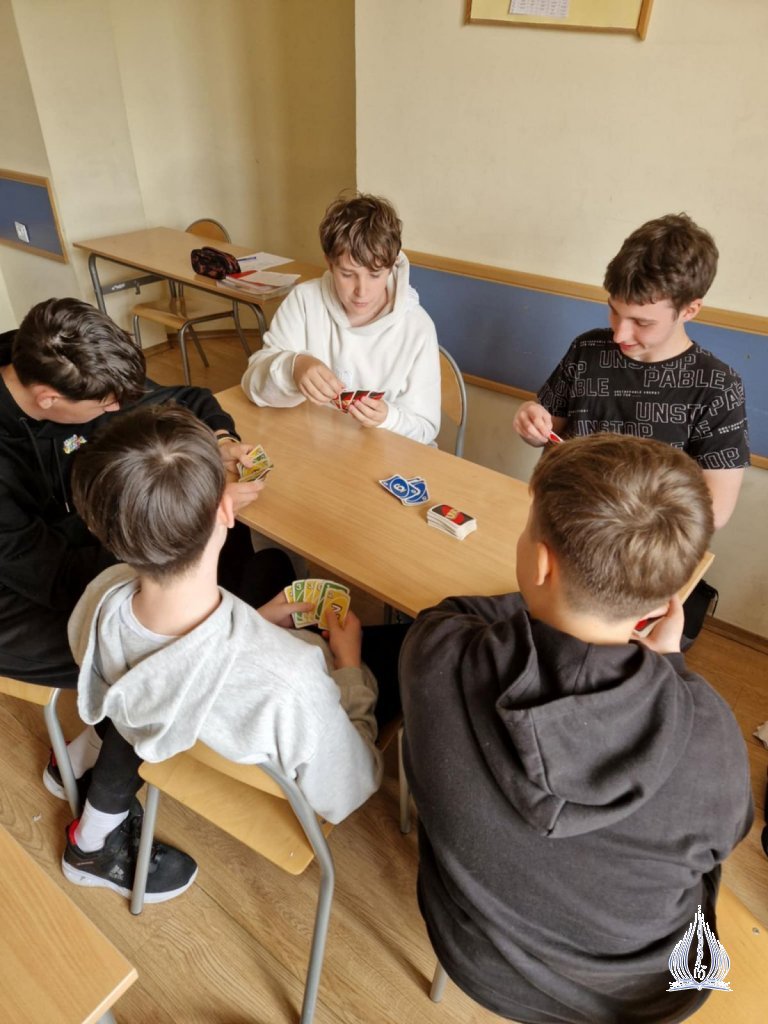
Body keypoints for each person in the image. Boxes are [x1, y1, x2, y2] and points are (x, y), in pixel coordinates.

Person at [400, 433, 752, 1024]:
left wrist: (552, 602)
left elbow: (453, 612)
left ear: (541, 563)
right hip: (646, 993)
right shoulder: (710, 732)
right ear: (666, 601)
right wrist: (669, 665)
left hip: (478, 957)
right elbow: (724, 840)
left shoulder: (437, 652)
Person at [0, 297, 292, 901]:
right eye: (105, 408)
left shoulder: (58, 360)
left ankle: (81, 756)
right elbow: (54, 576)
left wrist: (219, 440)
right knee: (159, 650)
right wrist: (178, 536)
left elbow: (180, 399)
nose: (117, 410)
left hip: (71, 543)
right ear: (48, 400)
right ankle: (93, 845)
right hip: (16, 598)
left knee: (222, 559)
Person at [65, 403, 392, 898]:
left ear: (102, 528)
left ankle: (78, 765)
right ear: (226, 509)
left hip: (179, 714)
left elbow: (179, 665)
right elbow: (351, 785)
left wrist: (255, 622)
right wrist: (349, 669)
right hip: (266, 722)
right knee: (407, 649)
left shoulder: (102, 593)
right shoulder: (292, 679)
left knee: (271, 565)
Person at [513, 213, 750, 530]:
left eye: (641, 322)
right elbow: (548, 427)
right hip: (558, 522)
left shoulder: (718, 387)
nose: (619, 334)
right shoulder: (587, 349)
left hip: (641, 547)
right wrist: (531, 420)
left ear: (689, 310)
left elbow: (713, 512)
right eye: (614, 311)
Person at [241, 192, 441, 445]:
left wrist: (388, 418)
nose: (362, 291)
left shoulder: (417, 327)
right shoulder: (305, 301)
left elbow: (426, 428)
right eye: (347, 274)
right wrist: (293, 366)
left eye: (375, 275)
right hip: (315, 446)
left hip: (383, 453)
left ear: (392, 266)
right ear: (330, 263)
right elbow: (252, 388)